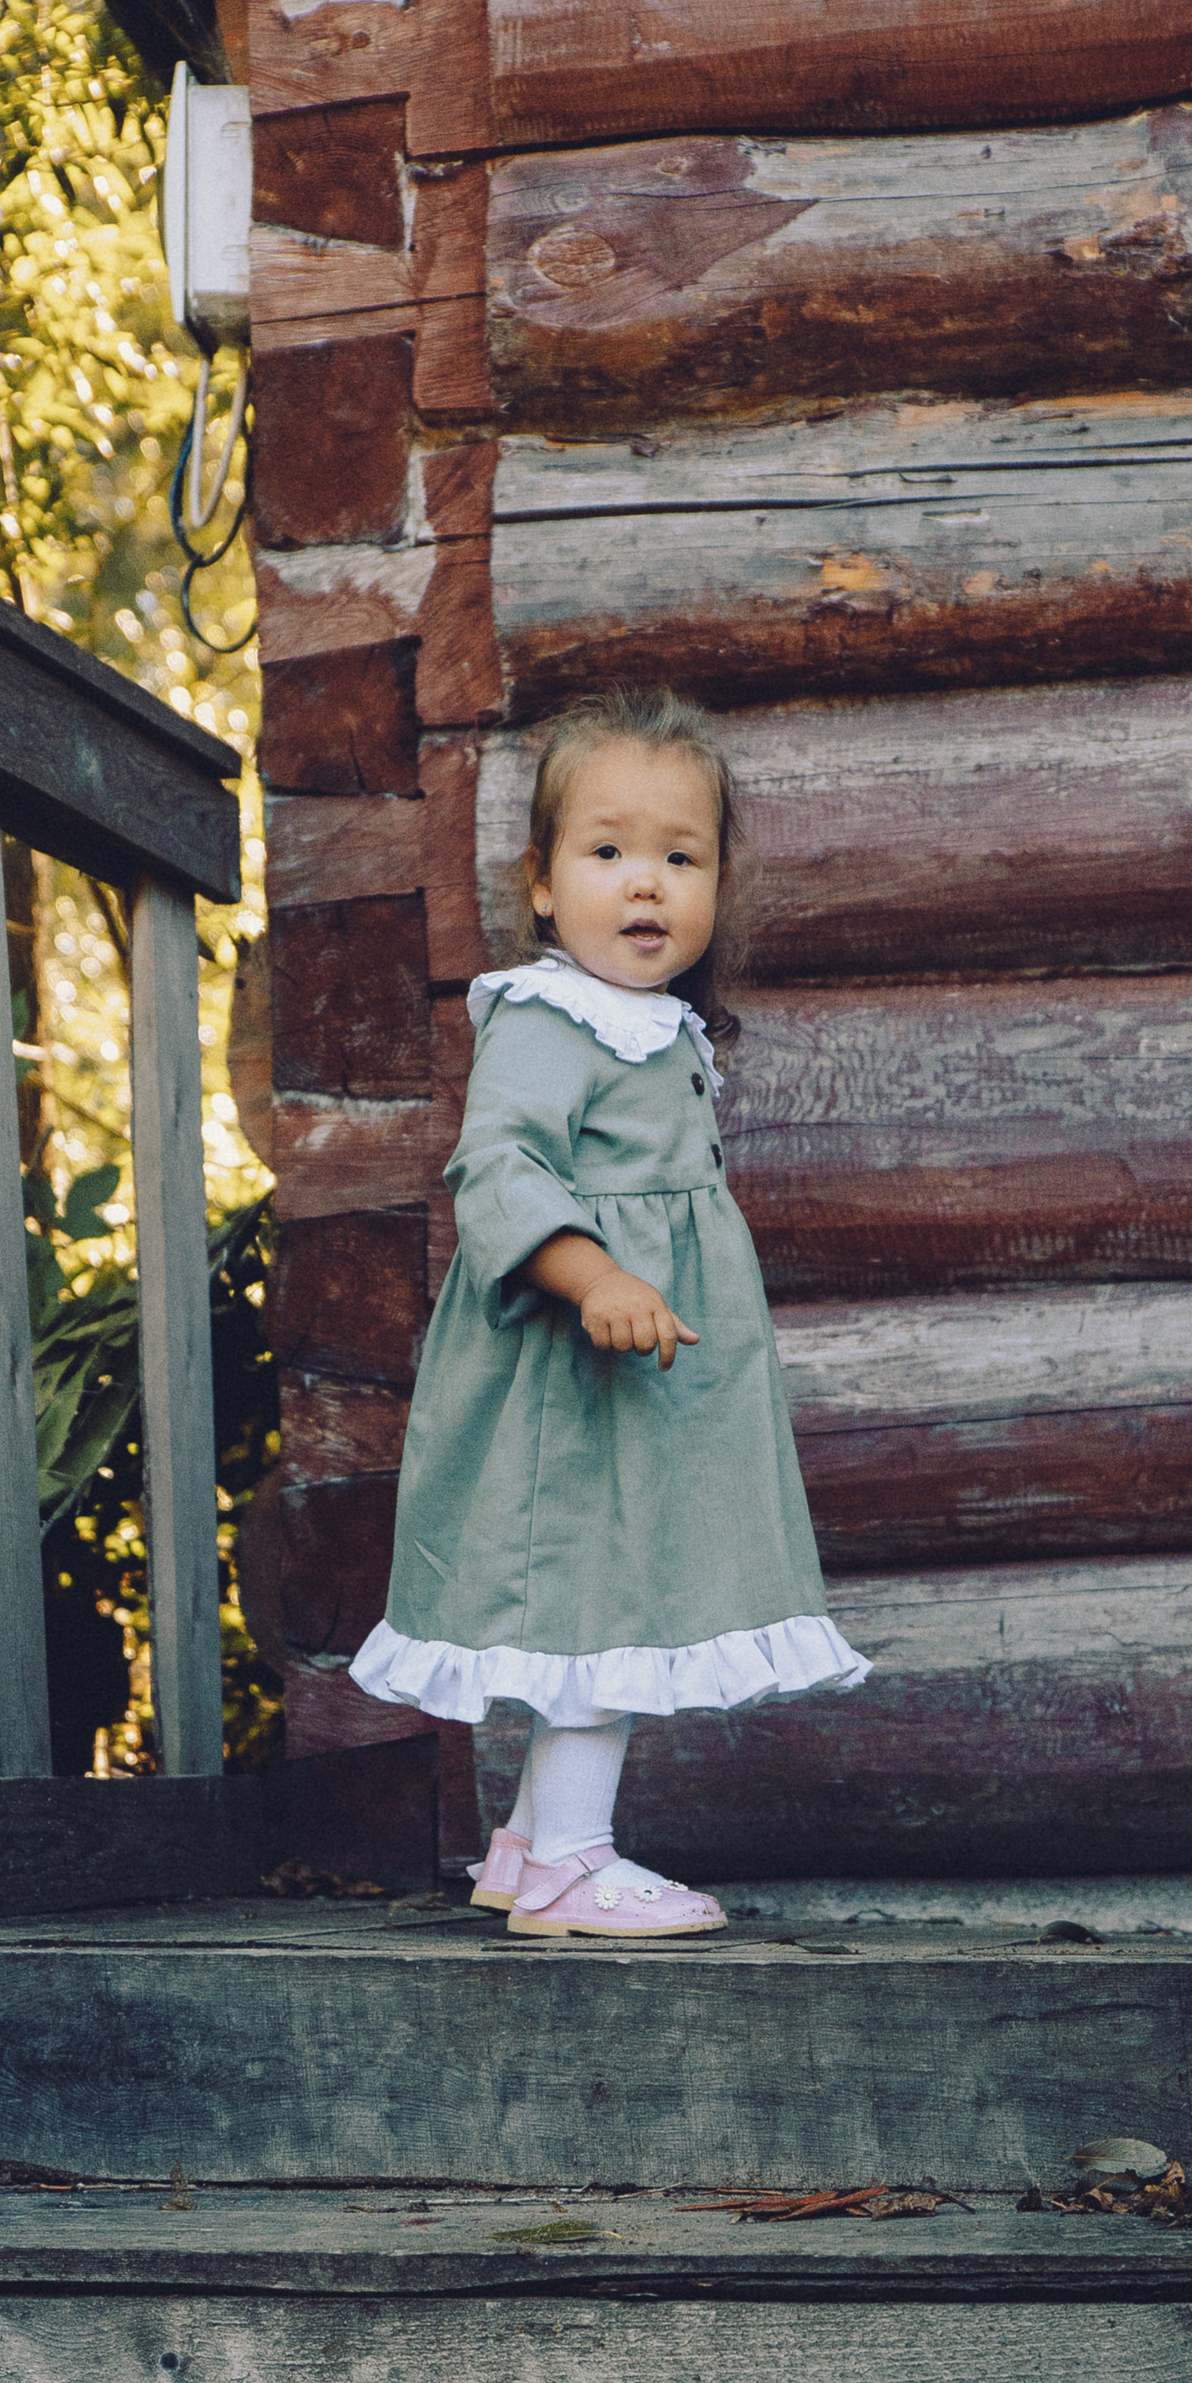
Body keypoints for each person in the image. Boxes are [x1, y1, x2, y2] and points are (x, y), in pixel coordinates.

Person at [347, 685, 867, 1940]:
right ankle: (577, 1858)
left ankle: (528, 1849)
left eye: (679, 858)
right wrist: (599, 1278)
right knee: (602, 1597)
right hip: (570, 1378)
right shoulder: (543, 1015)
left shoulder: (652, 1024)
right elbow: (499, 1173)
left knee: (622, 1585)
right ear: (540, 881)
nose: (646, 885)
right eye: (608, 851)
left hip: (648, 1376)